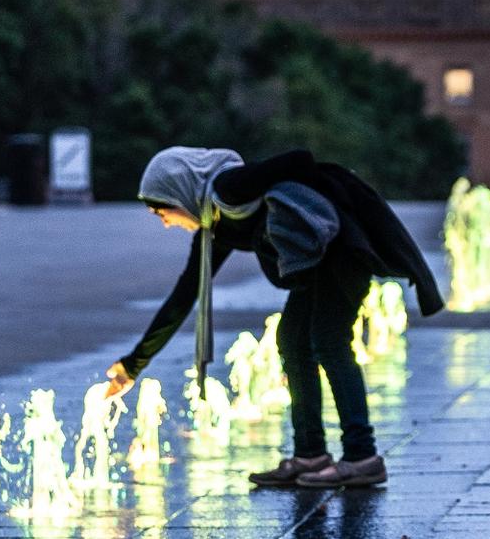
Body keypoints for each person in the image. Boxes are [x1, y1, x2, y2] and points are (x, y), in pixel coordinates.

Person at [105, 147, 443, 489]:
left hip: (342, 254)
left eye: (161, 210)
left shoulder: (230, 188)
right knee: (292, 342)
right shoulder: (215, 228)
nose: (165, 222)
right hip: (317, 266)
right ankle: (310, 454)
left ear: (178, 192)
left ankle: (362, 457)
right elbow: (184, 296)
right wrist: (133, 365)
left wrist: (313, 210)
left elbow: (301, 159)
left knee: (329, 343)